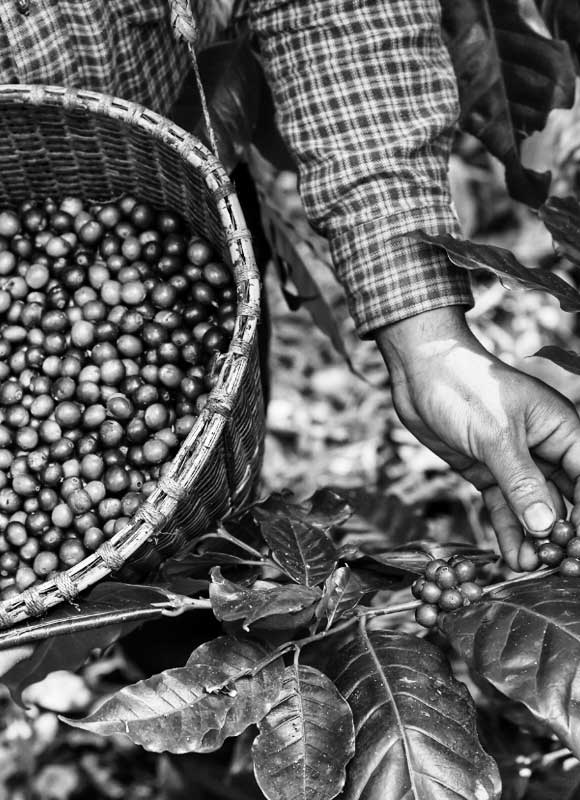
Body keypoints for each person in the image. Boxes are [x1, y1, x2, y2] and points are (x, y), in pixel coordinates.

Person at [1, 0, 580, 574]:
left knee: (209, 550)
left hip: (183, 198)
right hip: (135, 234)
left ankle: (190, 622)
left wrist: (427, 342)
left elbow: (339, 12)